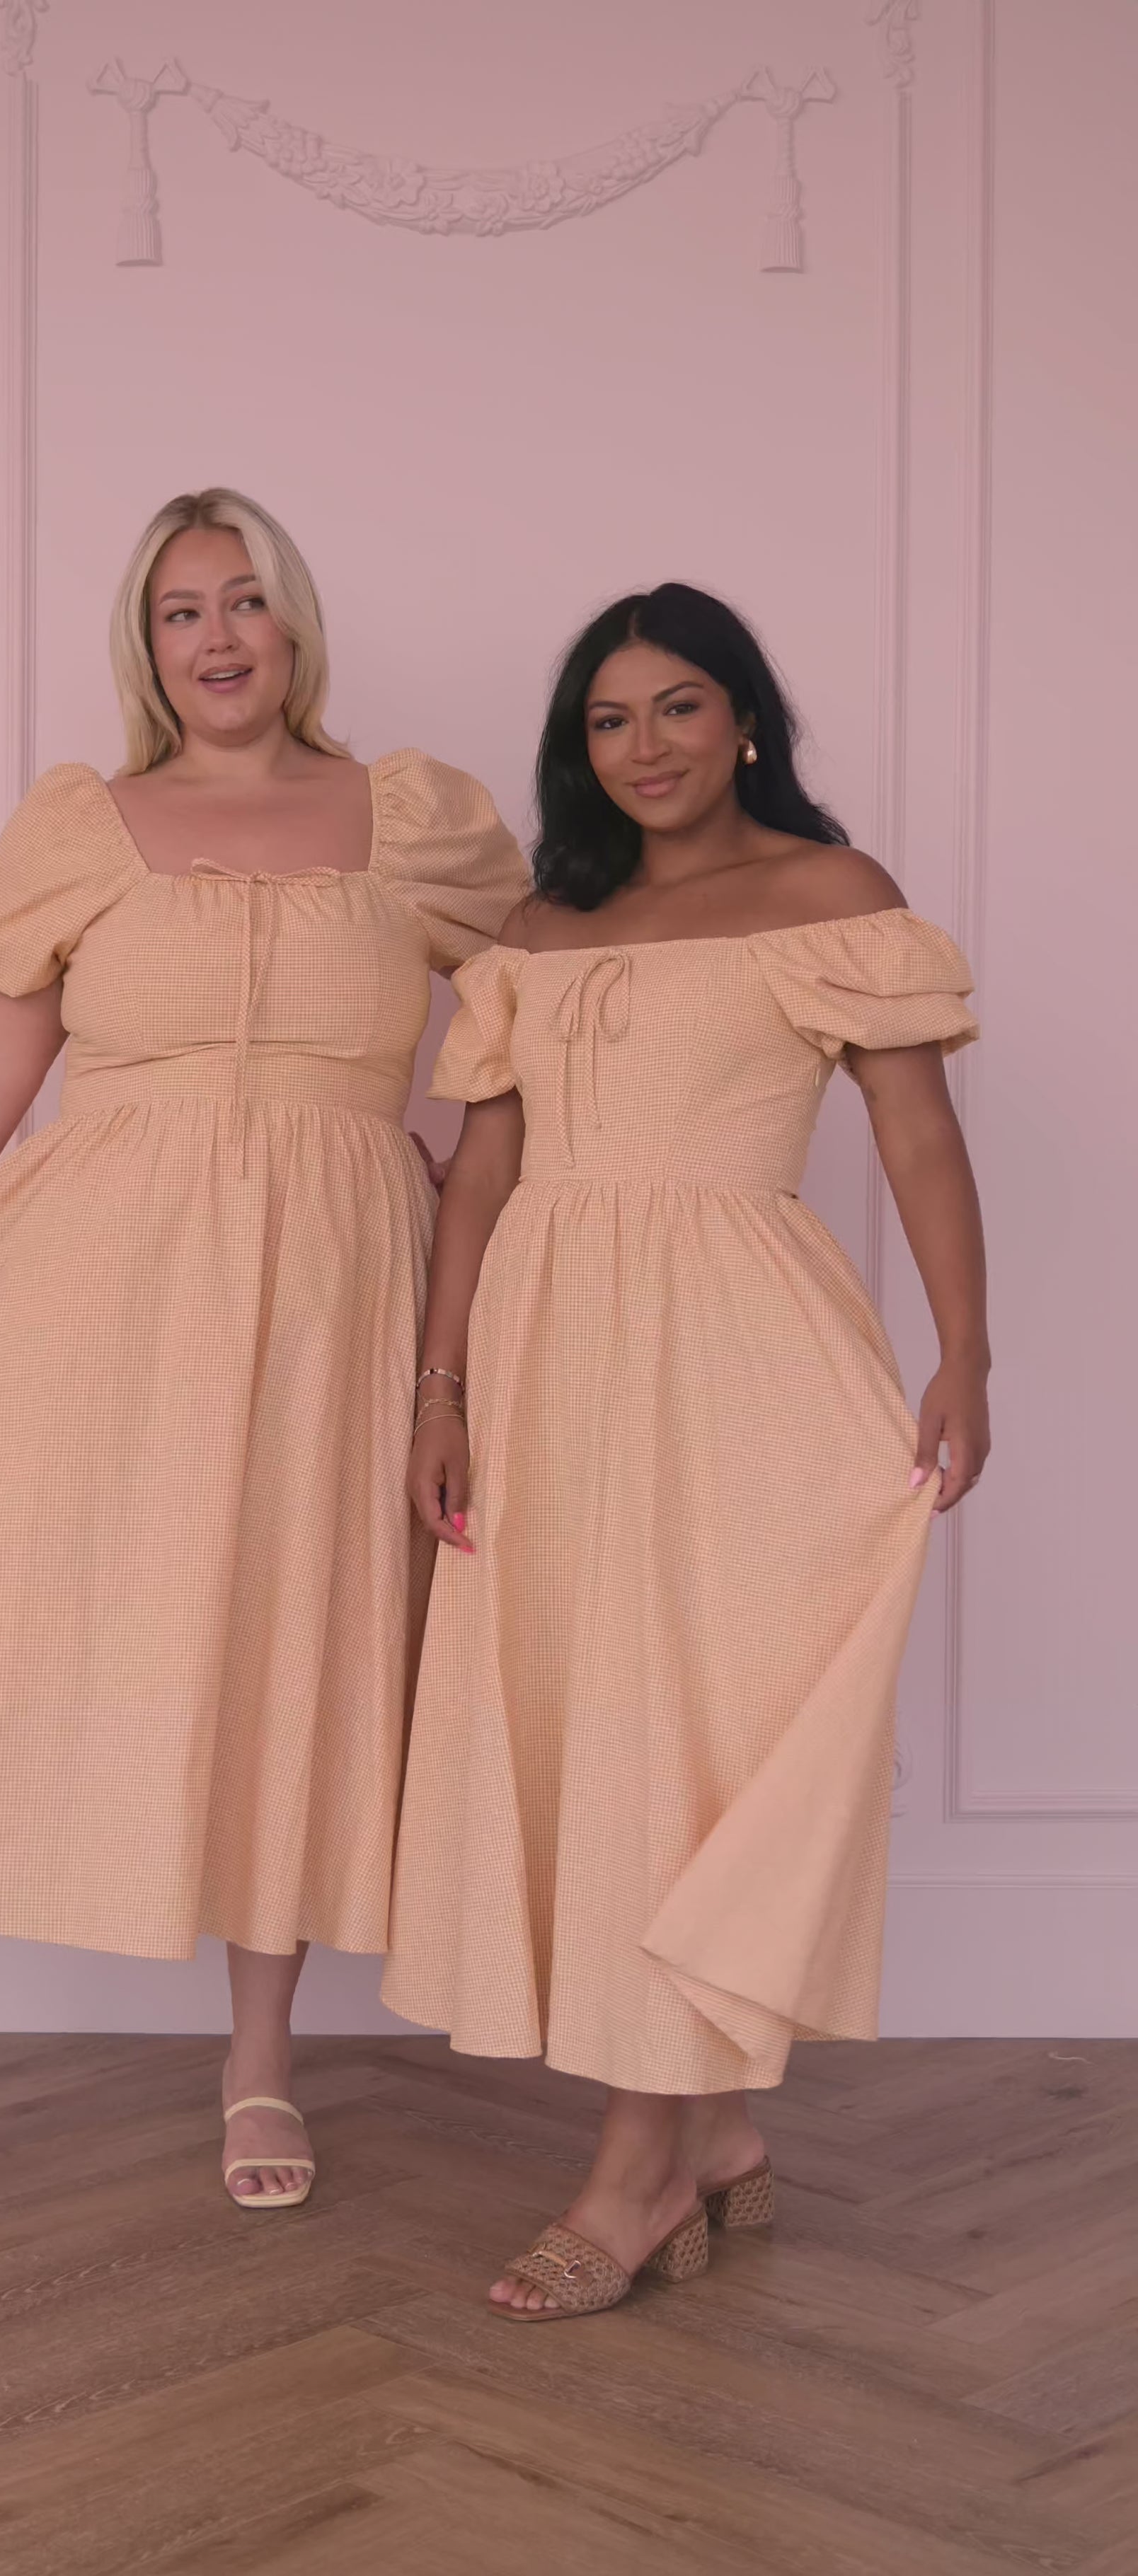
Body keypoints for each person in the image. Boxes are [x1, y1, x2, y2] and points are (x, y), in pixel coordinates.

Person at [0, 487, 526, 2228]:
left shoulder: (412, 821)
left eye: (245, 601)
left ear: (293, 624)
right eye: (179, 611)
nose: (217, 638)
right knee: (14, 1643)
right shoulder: (84, 824)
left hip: (335, 1298)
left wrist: (455, 1175)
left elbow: (542, 1029)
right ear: (147, 645)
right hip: (95, 1293)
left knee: (290, 1641)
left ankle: (260, 2061)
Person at [385, 583, 987, 2319]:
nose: (642, 746)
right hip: (551, 1361)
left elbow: (918, 1140)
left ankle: (636, 2170)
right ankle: (710, 2135)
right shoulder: (542, 926)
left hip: (739, 1352)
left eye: (675, 708)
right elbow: (481, 1180)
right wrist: (441, 1390)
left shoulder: (830, 897)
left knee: (699, 1732)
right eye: (607, 718)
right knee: (602, 1734)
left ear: (743, 722)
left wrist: (964, 1351)